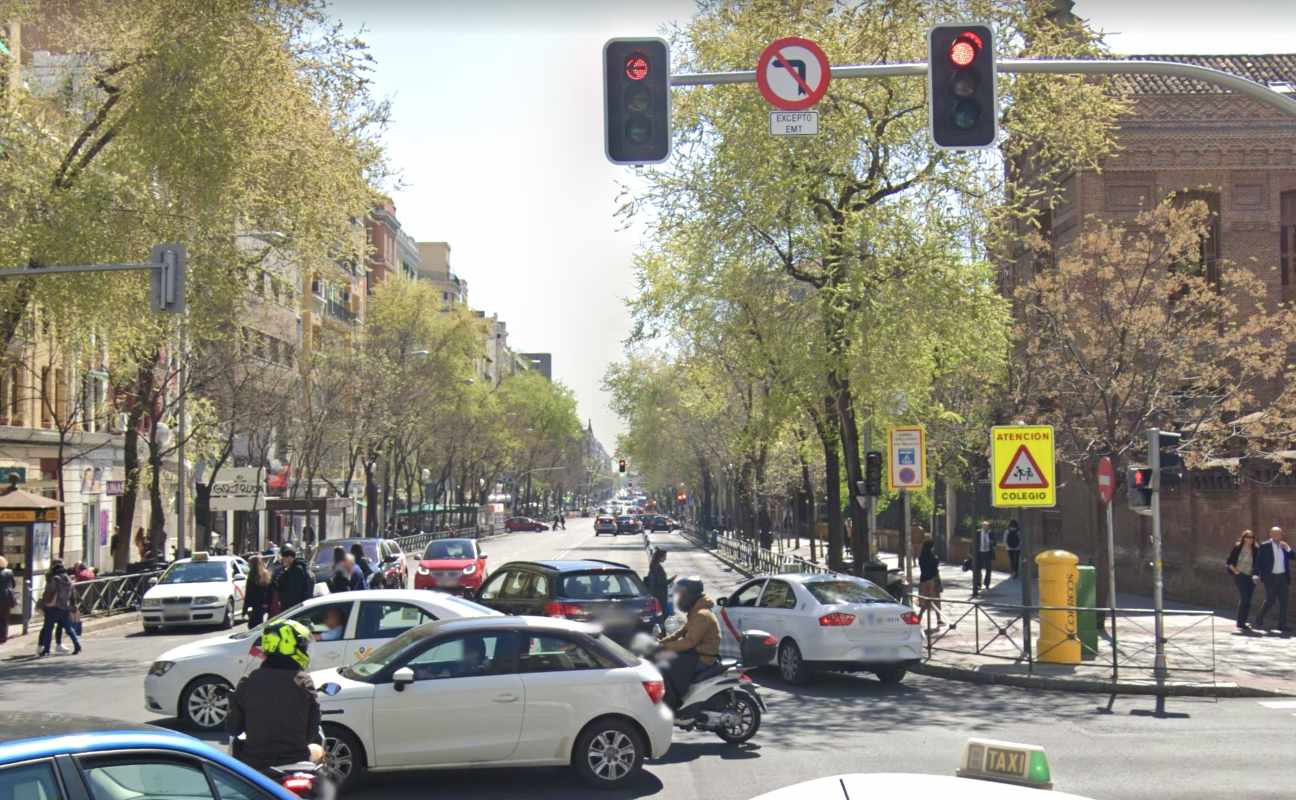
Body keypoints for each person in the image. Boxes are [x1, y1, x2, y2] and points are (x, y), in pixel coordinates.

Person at [226, 619, 325, 773]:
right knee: (320, 750)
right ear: (288, 646)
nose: (305, 651)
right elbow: (311, 733)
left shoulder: (249, 680)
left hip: (254, 764)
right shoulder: (304, 682)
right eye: (303, 647)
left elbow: (233, 728)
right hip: (296, 761)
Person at [657, 576, 720, 710]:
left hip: (703, 658)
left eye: (680, 594)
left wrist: (664, 648)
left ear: (689, 595)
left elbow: (689, 642)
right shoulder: (695, 611)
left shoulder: (701, 614)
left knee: (666, 667)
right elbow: (680, 632)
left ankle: (675, 705)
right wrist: (661, 642)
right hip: (695, 654)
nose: (678, 598)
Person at [1253, 526, 1292, 635]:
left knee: (1284, 601)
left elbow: (1293, 556)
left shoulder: (1284, 545)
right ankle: (1259, 618)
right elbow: (1258, 561)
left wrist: (1288, 548)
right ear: (1270, 534)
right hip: (1270, 577)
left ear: (1281, 535)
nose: (1277, 536)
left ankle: (1282, 625)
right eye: (1274, 534)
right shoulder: (1265, 546)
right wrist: (1256, 574)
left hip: (1283, 577)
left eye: (1279, 534)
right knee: (1270, 600)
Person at [37, 560, 80, 657]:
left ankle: (46, 650)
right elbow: (73, 594)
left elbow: (48, 593)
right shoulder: (68, 579)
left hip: (52, 608)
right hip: (65, 607)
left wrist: (44, 603)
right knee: (69, 628)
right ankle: (77, 645)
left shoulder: (54, 579)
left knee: (48, 629)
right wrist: (73, 606)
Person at [272, 546, 311, 611]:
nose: (282, 560)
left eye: (284, 558)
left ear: (290, 557)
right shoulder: (291, 569)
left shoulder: (297, 570)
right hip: (293, 605)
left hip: (293, 606)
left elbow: (293, 590)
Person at [918, 536, 943, 626]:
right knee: (936, 600)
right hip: (933, 580)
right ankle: (939, 619)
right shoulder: (933, 557)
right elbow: (935, 566)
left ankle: (918, 618)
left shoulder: (921, 557)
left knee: (925, 602)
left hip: (923, 580)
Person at [243, 554, 272, 629]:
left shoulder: (252, 575)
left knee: (253, 625)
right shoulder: (266, 574)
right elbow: (269, 590)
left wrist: (245, 608)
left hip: (255, 604)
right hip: (263, 604)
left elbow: (248, 592)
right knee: (260, 622)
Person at [644, 548, 670, 629]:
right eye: (665, 556)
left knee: (659, 614)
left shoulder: (654, 566)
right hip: (659, 595)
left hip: (657, 594)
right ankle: (661, 632)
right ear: (660, 557)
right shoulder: (657, 567)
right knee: (662, 614)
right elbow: (660, 582)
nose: (665, 558)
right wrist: (670, 580)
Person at [973, 520, 995, 598]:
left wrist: (992, 542)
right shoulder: (978, 533)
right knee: (978, 568)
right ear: (982, 526)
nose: (986, 528)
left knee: (988, 569)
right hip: (980, 552)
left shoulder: (991, 533)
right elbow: (974, 543)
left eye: (987, 526)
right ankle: (979, 583)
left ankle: (987, 584)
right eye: (984, 526)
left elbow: (994, 542)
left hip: (988, 552)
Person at [0, 555, 14, 645]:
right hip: (7, 597)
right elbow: (13, 584)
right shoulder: (9, 572)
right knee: (5, 618)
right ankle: (3, 636)